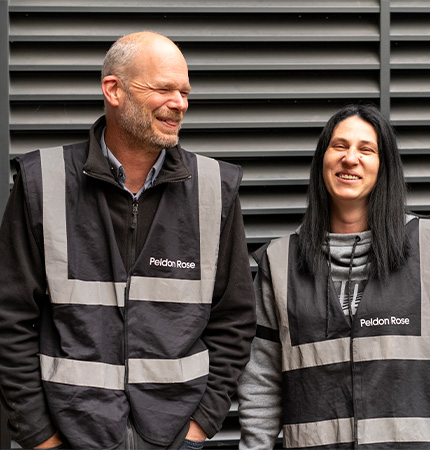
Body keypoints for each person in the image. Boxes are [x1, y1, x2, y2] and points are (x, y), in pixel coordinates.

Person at [0, 31, 255, 450]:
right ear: (114, 90)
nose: (180, 103)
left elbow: (235, 319)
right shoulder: (40, 182)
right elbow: (9, 320)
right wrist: (39, 435)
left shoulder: (215, 188)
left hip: (176, 439)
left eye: (185, 91)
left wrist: (201, 425)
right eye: (164, 88)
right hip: (69, 437)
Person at [238, 104, 430, 449]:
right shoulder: (280, 262)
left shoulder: (427, 248)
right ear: (322, 160)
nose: (350, 158)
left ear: (383, 166)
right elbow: (261, 381)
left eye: (366, 149)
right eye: (339, 146)